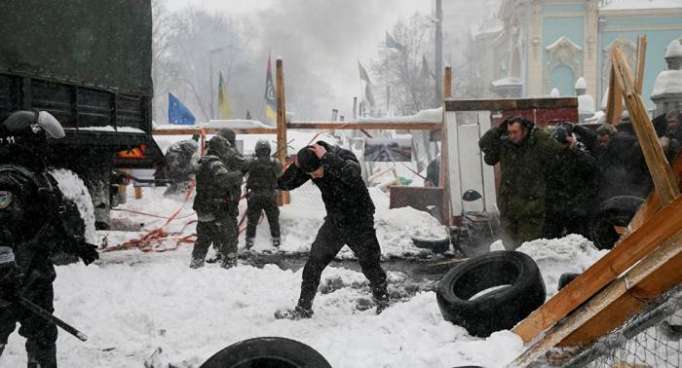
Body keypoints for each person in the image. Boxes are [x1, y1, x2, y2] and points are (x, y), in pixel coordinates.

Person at [0, 110, 99, 368]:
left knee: (43, 336)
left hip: (35, 277)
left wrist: (77, 245)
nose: (45, 147)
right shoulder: (9, 180)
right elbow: (1, 230)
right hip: (8, 281)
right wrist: (5, 270)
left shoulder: (36, 177)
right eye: (41, 140)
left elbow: (50, 222)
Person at [275, 142, 389, 319]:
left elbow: (352, 174)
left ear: (323, 158)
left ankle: (383, 302)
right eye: (310, 174)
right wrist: (296, 165)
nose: (315, 176)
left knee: (370, 264)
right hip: (335, 222)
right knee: (314, 263)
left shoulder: (343, 156)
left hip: (359, 220)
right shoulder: (312, 164)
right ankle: (303, 309)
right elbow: (284, 184)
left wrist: (327, 158)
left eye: (315, 171)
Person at [479, 116, 565, 249]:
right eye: (509, 132)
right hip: (509, 208)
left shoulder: (537, 142)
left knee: (528, 249)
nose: (511, 136)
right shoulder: (505, 145)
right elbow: (484, 146)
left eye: (515, 132)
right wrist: (498, 130)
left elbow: (559, 153)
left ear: (524, 131)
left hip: (530, 209)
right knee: (510, 249)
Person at [191, 135, 242, 269]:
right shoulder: (215, 163)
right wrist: (237, 175)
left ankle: (196, 263)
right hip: (216, 207)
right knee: (229, 236)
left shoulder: (203, 161)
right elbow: (223, 180)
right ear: (220, 148)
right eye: (225, 149)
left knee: (203, 238)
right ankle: (229, 266)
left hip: (203, 207)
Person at [544, 123, 599, 239]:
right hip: (565, 207)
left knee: (578, 238)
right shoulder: (555, 157)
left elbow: (591, 168)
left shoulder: (579, 156)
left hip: (575, 208)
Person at [243, 140, 282, 249]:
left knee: (252, 221)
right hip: (270, 195)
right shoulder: (275, 162)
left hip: (254, 195)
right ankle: (276, 242)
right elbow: (280, 175)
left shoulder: (251, 162)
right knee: (273, 221)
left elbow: (245, 174)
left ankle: (249, 243)